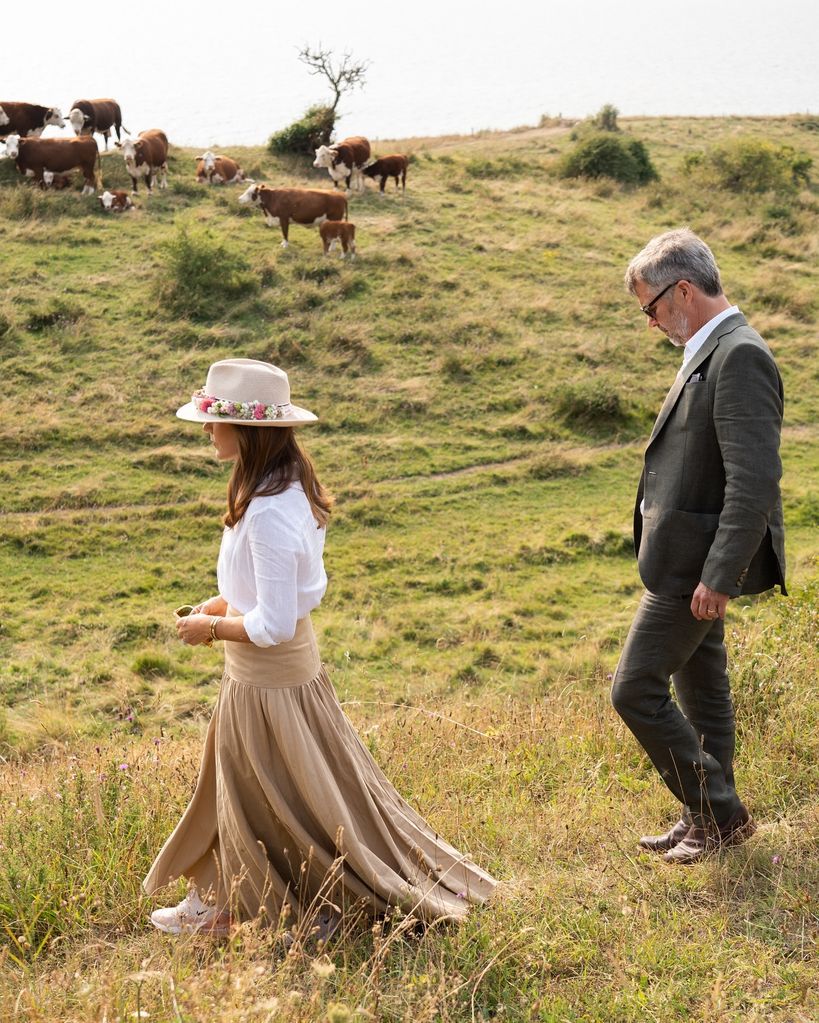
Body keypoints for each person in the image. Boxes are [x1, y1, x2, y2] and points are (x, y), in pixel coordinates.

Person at [144, 358, 496, 935]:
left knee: (267, 798)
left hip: (269, 681)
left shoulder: (269, 514)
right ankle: (221, 897)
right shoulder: (272, 489)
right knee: (256, 790)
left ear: (248, 430)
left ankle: (242, 906)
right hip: (265, 678)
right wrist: (221, 603)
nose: (206, 430)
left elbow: (276, 623)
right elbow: (265, 595)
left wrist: (208, 630)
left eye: (213, 421)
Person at [611, 229, 786, 865]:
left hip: (695, 565)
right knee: (702, 687)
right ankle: (703, 818)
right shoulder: (712, 348)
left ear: (683, 289)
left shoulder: (739, 355)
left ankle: (721, 814)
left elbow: (755, 478)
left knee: (633, 689)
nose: (651, 321)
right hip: (684, 556)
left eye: (651, 307)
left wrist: (721, 572)